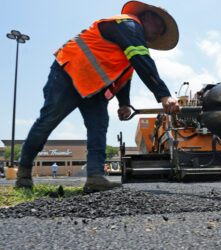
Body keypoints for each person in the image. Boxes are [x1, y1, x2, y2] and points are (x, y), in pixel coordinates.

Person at [16, 1, 179, 193]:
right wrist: (164, 95)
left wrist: (124, 103)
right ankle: (24, 173)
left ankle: (95, 177)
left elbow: (125, 77)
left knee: (98, 128)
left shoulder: (134, 41)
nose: (159, 33)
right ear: (147, 17)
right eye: (159, 27)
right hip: (69, 74)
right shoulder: (127, 24)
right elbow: (141, 61)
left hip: (94, 89)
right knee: (47, 121)